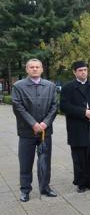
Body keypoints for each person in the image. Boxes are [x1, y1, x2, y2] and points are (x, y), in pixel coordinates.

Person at [12, 59, 58, 202]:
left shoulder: (50, 86)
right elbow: (17, 106)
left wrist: (45, 123)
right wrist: (33, 123)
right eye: (31, 67)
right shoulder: (18, 86)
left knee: (45, 161)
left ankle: (45, 188)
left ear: (42, 69)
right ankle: (25, 190)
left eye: (37, 67)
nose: (34, 69)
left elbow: (54, 106)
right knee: (26, 162)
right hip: (26, 132)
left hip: (45, 132)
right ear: (27, 70)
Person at [60, 61, 90, 193]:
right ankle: (80, 182)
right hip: (77, 127)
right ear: (74, 72)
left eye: (85, 70)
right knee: (79, 157)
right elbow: (64, 106)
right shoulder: (68, 87)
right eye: (80, 70)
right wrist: (83, 112)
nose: (83, 72)